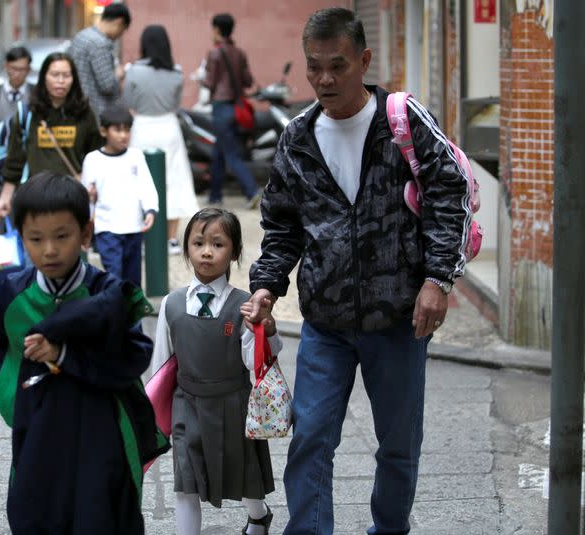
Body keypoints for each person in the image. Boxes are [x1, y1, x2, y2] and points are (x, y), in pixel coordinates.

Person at [246, 8, 470, 534]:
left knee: (397, 447)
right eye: (314, 66)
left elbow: (450, 194)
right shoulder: (297, 137)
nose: (324, 79)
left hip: (398, 319)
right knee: (310, 440)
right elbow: (281, 226)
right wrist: (264, 287)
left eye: (338, 66)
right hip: (325, 321)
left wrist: (438, 280)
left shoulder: (404, 120)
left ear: (363, 60)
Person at [0, 172, 167, 534]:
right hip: (40, 431)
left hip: (102, 429)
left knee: (102, 518)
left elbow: (133, 357)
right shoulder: (11, 297)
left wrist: (63, 355)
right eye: (36, 238)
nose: (49, 250)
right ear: (20, 237)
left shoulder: (108, 295)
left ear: (86, 233)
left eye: (62, 236)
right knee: (38, 515)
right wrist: (9, 383)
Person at [150, 207, 280, 535]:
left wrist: (264, 327)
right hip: (187, 403)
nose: (207, 251)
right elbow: (162, 364)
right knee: (186, 482)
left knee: (245, 472)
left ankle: (258, 515)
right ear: (186, 248)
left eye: (218, 244)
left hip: (234, 402)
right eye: (198, 243)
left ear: (235, 252)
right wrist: (152, 412)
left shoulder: (245, 305)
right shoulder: (172, 303)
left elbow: (255, 362)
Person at [0, 52, 102, 218]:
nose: (60, 81)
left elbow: (95, 154)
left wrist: (93, 184)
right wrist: (5, 196)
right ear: (44, 77)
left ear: (73, 79)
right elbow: (15, 159)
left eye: (66, 75)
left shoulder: (84, 113)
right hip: (36, 197)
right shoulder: (28, 113)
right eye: (55, 75)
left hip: (72, 197)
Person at [123, 24, 199, 256]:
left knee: (141, 181)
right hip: (169, 127)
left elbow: (129, 101)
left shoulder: (133, 71)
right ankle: (171, 239)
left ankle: (146, 238)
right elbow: (175, 104)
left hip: (143, 127)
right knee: (173, 181)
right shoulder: (176, 72)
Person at [81, 105, 158, 287]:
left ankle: (133, 315)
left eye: (127, 130)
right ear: (103, 131)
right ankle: (114, 313)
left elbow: (146, 185)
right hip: (107, 228)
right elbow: (86, 198)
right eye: (117, 130)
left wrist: (150, 210)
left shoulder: (136, 156)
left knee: (133, 278)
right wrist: (86, 226)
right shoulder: (93, 160)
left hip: (133, 227)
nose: (123, 135)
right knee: (113, 275)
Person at [202, 13, 262, 208]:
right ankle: (215, 195)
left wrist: (199, 78)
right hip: (236, 109)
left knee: (231, 155)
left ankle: (253, 191)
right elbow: (248, 81)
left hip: (220, 107)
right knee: (219, 152)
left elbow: (210, 83)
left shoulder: (215, 53)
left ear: (217, 30)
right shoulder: (240, 52)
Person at [68, 2, 130, 120]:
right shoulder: (100, 44)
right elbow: (107, 85)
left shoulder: (81, 35)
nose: (119, 36)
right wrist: (118, 74)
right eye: (122, 31)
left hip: (77, 106)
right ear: (119, 22)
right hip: (95, 111)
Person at [0, 45, 33, 178]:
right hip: (1, 158)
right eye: (14, 68)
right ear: (6, 67)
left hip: (28, 161)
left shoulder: (35, 93)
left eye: (22, 69)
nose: (17, 73)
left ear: (28, 70)